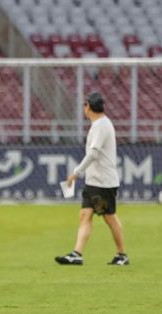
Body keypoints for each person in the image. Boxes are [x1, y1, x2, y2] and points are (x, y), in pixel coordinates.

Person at [55, 92, 128, 266]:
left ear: (88, 106)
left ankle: (122, 255)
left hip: (102, 182)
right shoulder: (100, 124)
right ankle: (77, 254)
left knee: (109, 217)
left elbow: (94, 153)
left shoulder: (101, 126)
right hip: (95, 181)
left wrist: (76, 172)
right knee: (85, 215)